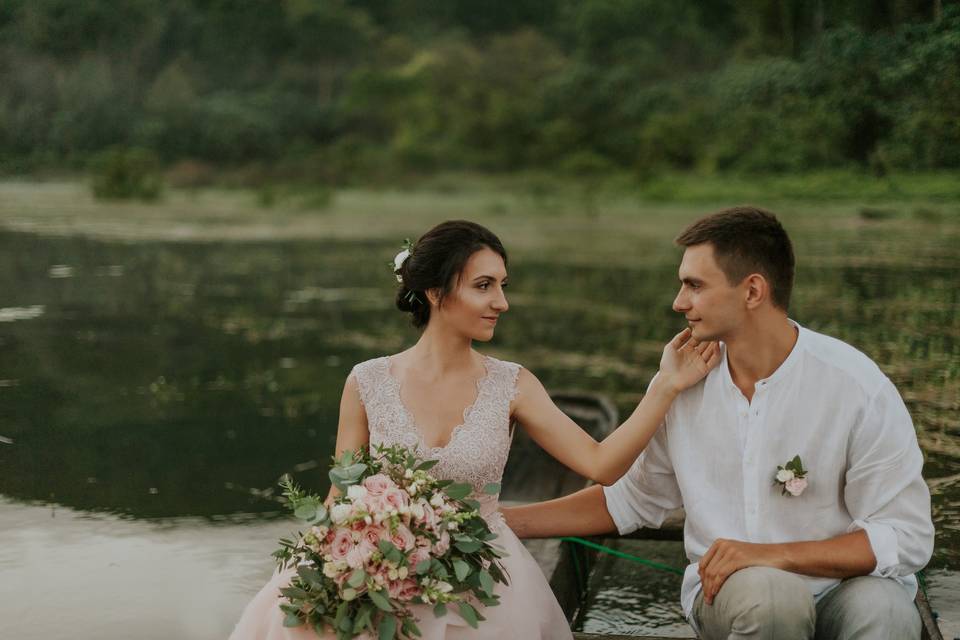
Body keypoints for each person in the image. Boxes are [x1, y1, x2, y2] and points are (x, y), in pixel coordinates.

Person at [229, 220, 721, 640]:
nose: (502, 302)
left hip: (483, 576)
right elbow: (343, 496)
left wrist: (665, 387)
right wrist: (335, 565)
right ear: (436, 291)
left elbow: (602, 466)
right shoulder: (366, 381)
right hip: (376, 571)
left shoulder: (513, 385)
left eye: (503, 285)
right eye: (484, 286)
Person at [503, 206, 935, 640]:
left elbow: (906, 536)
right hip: (737, 598)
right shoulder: (681, 382)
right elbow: (629, 500)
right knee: (773, 598)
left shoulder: (857, 387)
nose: (678, 302)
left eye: (694, 285)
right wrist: (503, 521)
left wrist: (776, 555)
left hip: (843, 593)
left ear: (752, 292)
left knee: (890, 610)